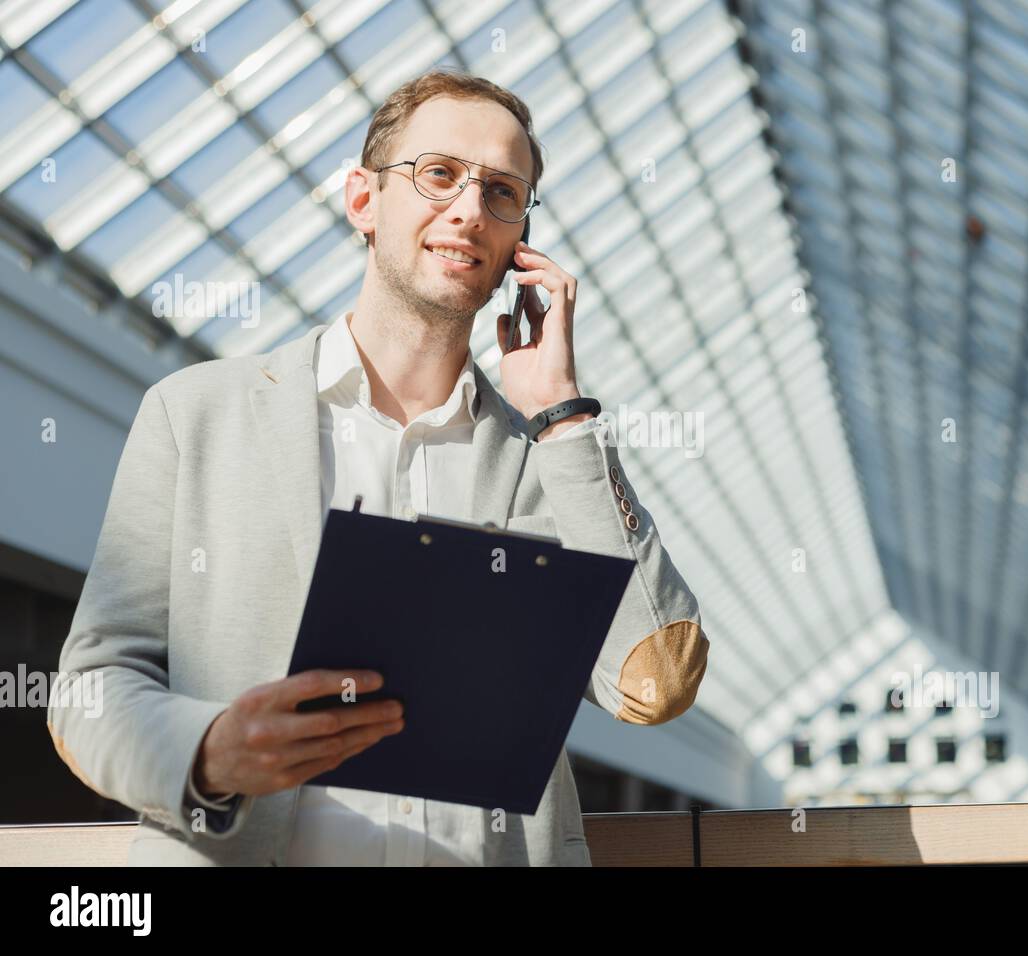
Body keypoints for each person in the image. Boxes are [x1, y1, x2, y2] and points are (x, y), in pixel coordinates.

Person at [47, 69, 709, 866]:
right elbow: (91, 688)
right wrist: (212, 751)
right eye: (439, 174)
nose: (469, 208)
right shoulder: (198, 416)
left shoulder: (551, 464)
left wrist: (564, 415)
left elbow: (657, 685)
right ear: (363, 200)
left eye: (503, 192)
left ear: (518, 245)